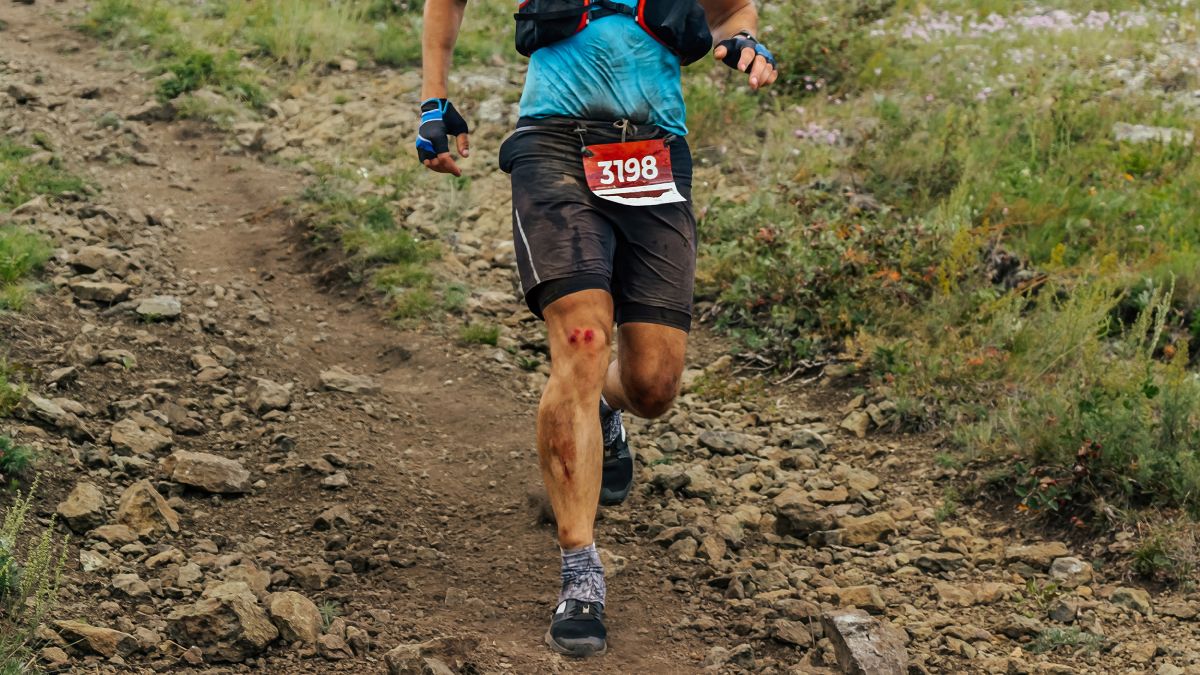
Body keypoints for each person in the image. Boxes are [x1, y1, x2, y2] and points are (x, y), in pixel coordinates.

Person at [417, 0, 777, 657]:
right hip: (554, 146)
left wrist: (744, 40)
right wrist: (433, 100)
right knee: (582, 341)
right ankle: (581, 571)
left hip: (655, 153)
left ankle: (610, 409)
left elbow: (731, 11)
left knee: (654, 386)